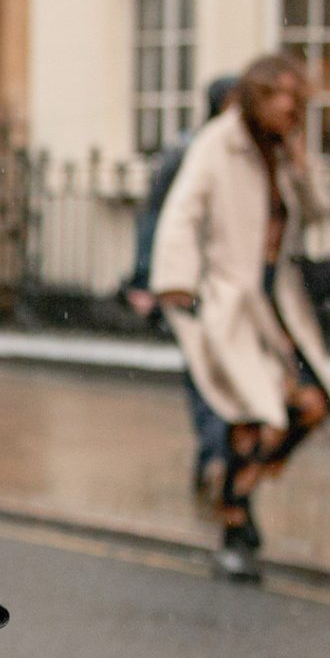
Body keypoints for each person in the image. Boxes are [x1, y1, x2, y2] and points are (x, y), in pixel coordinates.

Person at [152, 52, 330, 582]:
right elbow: (182, 213)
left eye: (296, 103)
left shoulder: (283, 154)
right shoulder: (220, 143)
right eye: (280, 100)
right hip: (229, 299)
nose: (289, 111)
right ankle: (235, 530)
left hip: (278, 302)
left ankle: (236, 496)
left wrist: (302, 164)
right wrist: (176, 286)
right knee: (254, 417)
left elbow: (324, 212)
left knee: (313, 405)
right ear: (258, 99)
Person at [121, 75, 237, 497]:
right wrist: (147, 277)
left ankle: (220, 459)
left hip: (229, 284)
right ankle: (216, 457)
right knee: (204, 370)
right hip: (190, 283)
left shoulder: (241, 156)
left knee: (226, 372)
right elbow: (156, 217)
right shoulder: (192, 152)